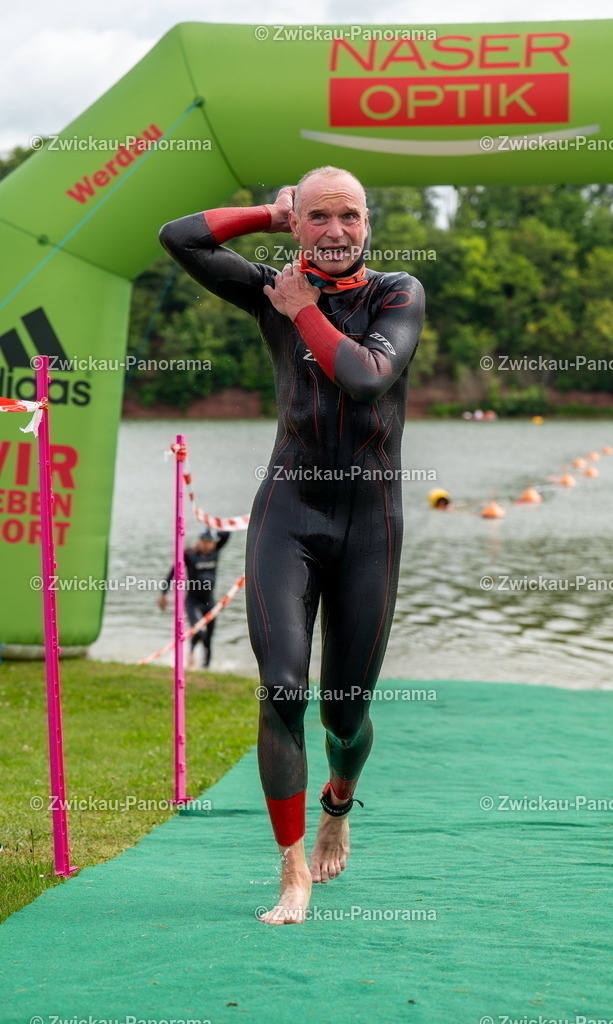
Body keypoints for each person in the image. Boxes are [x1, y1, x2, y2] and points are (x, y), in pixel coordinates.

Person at [159, 166, 425, 925]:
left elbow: (366, 377)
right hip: (289, 510)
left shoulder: (396, 293)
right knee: (282, 690)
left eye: (349, 216)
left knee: (344, 714)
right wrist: (263, 217)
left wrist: (303, 308)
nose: (335, 231)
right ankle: (290, 871)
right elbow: (177, 237)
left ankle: (338, 802)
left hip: (370, 524)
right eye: (317, 217)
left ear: (368, 223)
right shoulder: (269, 286)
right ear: (297, 223)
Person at [158, 527, 230, 668]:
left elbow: (227, 533)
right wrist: (163, 593)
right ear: (199, 541)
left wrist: (211, 525)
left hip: (210, 602)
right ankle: (191, 654)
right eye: (204, 541)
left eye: (211, 542)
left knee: (208, 639)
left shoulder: (215, 552)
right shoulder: (190, 554)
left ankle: (206, 668)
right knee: (199, 631)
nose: (208, 545)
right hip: (193, 602)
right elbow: (173, 572)